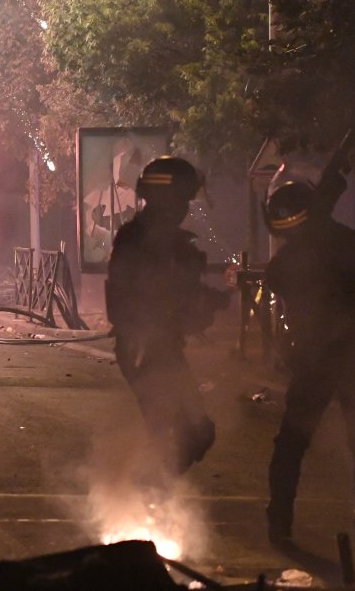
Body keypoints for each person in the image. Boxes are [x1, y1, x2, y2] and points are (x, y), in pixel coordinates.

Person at [262, 179, 355, 543]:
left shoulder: (296, 255)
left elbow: (279, 275)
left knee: (293, 444)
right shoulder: (354, 244)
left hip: (318, 361)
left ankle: (279, 522)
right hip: (352, 361)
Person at [105, 156, 226, 476]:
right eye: (183, 199)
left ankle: (156, 495)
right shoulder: (139, 240)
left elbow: (181, 300)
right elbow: (143, 294)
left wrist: (205, 302)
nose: (185, 208)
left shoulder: (168, 242)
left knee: (193, 432)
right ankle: (149, 498)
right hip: (144, 348)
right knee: (169, 429)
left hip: (162, 347)